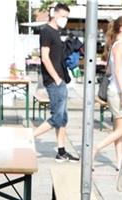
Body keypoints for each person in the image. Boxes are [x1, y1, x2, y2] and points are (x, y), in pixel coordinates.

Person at [32, 3, 79, 162]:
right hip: (54, 80)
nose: (65, 20)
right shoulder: (46, 31)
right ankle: (28, 138)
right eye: (63, 16)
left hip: (60, 79)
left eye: (67, 17)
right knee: (57, 117)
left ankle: (61, 151)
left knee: (63, 117)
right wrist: (56, 79)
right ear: (55, 14)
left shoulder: (56, 32)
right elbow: (44, 57)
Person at [92, 16, 122, 170]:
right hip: (118, 92)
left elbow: (111, 70)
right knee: (121, 130)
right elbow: (116, 70)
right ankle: (95, 148)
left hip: (116, 91)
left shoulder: (116, 46)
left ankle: (120, 163)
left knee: (119, 131)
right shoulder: (119, 47)